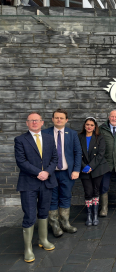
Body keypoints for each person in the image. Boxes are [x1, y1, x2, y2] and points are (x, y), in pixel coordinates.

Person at [14, 112, 57, 263]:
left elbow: (54, 158)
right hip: (28, 183)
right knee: (30, 214)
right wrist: (39, 172)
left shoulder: (49, 138)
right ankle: (28, 248)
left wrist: (47, 172)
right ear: (27, 123)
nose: (34, 123)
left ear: (42, 122)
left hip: (47, 181)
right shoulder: (20, 140)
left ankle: (43, 240)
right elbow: (21, 161)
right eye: (31, 121)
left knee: (44, 212)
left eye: (37, 120)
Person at [42, 108, 81, 237]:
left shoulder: (72, 134)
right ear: (53, 119)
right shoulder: (44, 133)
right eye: (56, 117)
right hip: (50, 173)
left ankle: (65, 223)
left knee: (66, 197)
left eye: (61, 118)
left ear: (66, 120)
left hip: (67, 173)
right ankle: (55, 225)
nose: (59, 120)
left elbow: (77, 153)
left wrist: (76, 170)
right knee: (52, 198)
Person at [78, 117, 110, 226]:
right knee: (88, 192)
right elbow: (76, 153)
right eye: (87, 124)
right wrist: (84, 166)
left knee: (96, 191)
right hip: (84, 169)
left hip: (97, 168)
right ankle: (88, 215)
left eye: (92, 125)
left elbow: (101, 154)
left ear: (95, 126)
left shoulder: (99, 138)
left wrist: (91, 166)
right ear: (84, 125)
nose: (89, 127)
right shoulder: (79, 137)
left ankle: (95, 215)